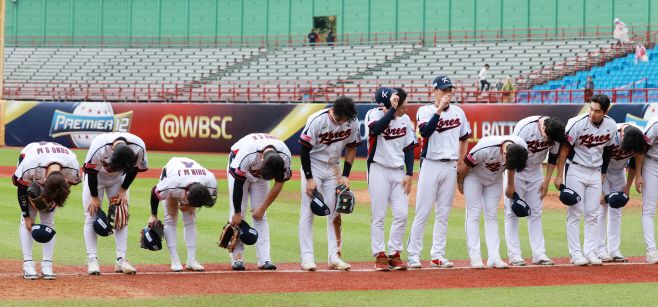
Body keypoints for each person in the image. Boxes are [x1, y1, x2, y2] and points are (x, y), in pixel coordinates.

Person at [406, 75, 471, 269]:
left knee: (443, 213)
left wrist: (461, 162)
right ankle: (414, 255)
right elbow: (426, 132)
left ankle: (437, 255)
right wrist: (440, 108)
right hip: (430, 164)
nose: (448, 93)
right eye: (443, 90)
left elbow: (464, 137)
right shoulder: (424, 110)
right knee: (423, 211)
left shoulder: (459, 112)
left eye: (450, 89)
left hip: (450, 165)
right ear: (434, 91)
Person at [554, 94, 618, 266]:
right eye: (591, 108)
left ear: (605, 111)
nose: (592, 113)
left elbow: (608, 150)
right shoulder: (576, 123)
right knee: (575, 212)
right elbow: (563, 149)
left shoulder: (611, 125)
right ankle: (575, 254)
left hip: (596, 172)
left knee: (593, 213)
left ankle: (590, 252)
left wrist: (603, 173)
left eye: (597, 111)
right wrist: (560, 175)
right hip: (575, 169)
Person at [299, 96, 361, 271]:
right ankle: (307, 258)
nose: (343, 123)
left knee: (335, 210)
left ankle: (335, 256)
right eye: (340, 119)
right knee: (308, 210)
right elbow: (304, 148)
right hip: (314, 165)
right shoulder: (317, 120)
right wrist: (309, 178)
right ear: (333, 111)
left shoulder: (351, 121)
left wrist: (346, 175)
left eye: (346, 120)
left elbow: (352, 147)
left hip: (334, 166)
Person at [365, 87, 418, 271]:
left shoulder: (405, 120)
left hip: (398, 171)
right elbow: (377, 129)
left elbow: (409, 147)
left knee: (402, 214)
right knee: (378, 215)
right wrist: (393, 111)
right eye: (402, 106)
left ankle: (395, 254)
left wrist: (410, 173)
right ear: (390, 105)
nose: (406, 109)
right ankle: (379, 255)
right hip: (378, 168)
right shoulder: (373, 114)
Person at [458, 135, 528, 269]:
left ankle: (494, 257)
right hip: (474, 177)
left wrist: (511, 184)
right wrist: (460, 182)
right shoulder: (485, 148)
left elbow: (511, 165)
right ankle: (475, 257)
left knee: (492, 215)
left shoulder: (519, 147)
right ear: (505, 153)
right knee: (474, 213)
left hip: (494, 179)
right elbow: (466, 164)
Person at [83, 132, 148, 275]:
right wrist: (94, 196)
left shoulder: (138, 147)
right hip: (96, 176)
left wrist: (124, 189)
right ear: (112, 151)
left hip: (119, 180)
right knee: (91, 215)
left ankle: (121, 260)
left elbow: (135, 169)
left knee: (121, 216)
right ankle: (92, 260)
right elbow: (90, 171)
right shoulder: (98, 146)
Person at [504, 116, 566, 266]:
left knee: (536, 212)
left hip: (536, 171)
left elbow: (553, 157)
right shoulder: (525, 127)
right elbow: (512, 156)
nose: (549, 141)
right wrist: (510, 183)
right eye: (547, 137)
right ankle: (514, 255)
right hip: (517, 170)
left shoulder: (555, 131)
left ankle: (539, 254)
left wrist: (547, 180)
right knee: (512, 212)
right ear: (543, 128)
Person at [14, 142, 80, 280]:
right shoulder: (30, 165)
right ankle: (28, 264)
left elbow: (69, 184)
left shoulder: (72, 167)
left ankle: (47, 264)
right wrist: (26, 216)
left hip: (55, 167)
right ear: (43, 180)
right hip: (31, 159)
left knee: (48, 217)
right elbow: (21, 188)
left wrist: (53, 201)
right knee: (29, 219)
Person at [227, 133, 292, 271]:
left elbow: (279, 184)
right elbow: (238, 184)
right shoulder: (247, 153)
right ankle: (237, 259)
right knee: (239, 214)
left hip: (260, 170)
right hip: (239, 164)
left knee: (260, 215)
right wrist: (237, 212)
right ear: (261, 159)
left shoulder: (285, 157)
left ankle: (265, 259)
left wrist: (263, 207)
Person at [149, 157, 218, 272]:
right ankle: (174, 259)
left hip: (189, 179)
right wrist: (154, 215)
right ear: (186, 194)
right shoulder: (171, 184)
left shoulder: (209, 182)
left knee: (190, 219)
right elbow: (154, 193)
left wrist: (191, 206)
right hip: (173, 175)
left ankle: (191, 260)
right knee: (171, 218)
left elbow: (206, 200)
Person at [596, 124, 645, 263]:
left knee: (617, 209)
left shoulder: (638, 135)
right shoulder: (610, 133)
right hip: (601, 171)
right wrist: (599, 189)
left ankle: (614, 250)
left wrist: (628, 185)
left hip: (619, 172)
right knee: (601, 208)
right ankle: (600, 250)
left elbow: (636, 159)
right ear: (622, 136)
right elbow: (600, 158)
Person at [641, 116, 658, 264]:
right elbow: (642, 149)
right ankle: (651, 251)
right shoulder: (655, 124)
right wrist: (638, 174)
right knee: (649, 209)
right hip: (651, 163)